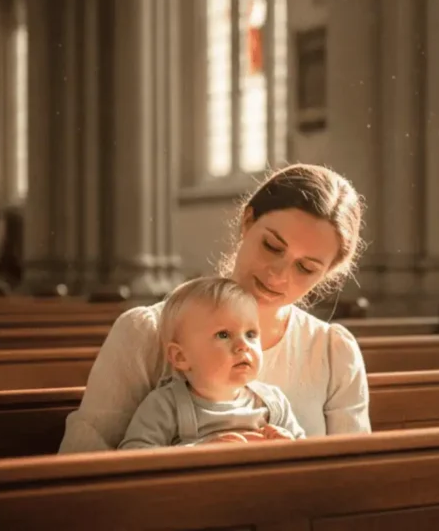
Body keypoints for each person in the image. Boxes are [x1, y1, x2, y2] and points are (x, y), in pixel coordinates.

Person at [59, 164, 370, 453]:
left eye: (306, 268)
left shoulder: (333, 352)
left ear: (326, 274)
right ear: (247, 222)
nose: (278, 274)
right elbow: (82, 461)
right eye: (272, 246)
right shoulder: (146, 333)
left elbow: (351, 475)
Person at [119, 277, 305, 449]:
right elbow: (132, 455)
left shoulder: (273, 402)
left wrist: (289, 445)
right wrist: (200, 451)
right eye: (223, 335)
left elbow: (308, 456)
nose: (243, 345)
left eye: (250, 334)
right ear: (181, 357)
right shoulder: (166, 405)